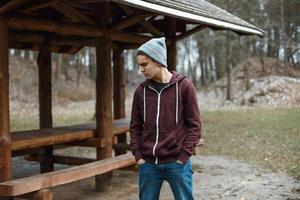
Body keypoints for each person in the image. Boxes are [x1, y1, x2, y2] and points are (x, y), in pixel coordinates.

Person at [130, 37, 201, 200]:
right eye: (139, 65)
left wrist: (183, 157)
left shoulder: (184, 87)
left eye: (144, 64)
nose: (141, 70)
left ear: (158, 61)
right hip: (148, 164)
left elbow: (194, 125)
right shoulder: (140, 92)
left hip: (177, 163)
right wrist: (139, 157)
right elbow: (135, 126)